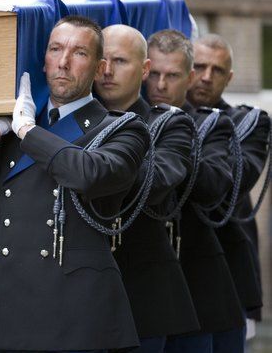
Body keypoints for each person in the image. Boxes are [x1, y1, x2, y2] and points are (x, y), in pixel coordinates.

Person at [0, 16, 149, 352]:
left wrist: (29, 133)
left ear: (98, 67)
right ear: (43, 60)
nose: (63, 62)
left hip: (72, 310)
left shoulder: (121, 128)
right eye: (55, 49)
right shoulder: (12, 124)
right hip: (0, 306)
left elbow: (88, 175)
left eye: (79, 53)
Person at [94, 24, 199, 352]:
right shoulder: (75, 119)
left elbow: (155, 183)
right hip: (84, 292)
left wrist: (87, 164)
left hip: (142, 292)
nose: (107, 71)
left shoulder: (168, 123)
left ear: (144, 70)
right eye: (101, 60)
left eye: (120, 61)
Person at [144, 29, 245, 353]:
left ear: (187, 78)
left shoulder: (209, 124)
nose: (161, 85)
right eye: (155, 74)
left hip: (196, 280)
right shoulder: (130, 121)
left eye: (172, 76)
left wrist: (176, 143)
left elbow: (216, 187)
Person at [188, 34, 270, 348]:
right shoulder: (153, 116)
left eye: (217, 70)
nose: (206, 77)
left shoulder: (247, 122)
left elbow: (232, 182)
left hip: (228, 273)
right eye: (199, 66)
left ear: (229, 77)